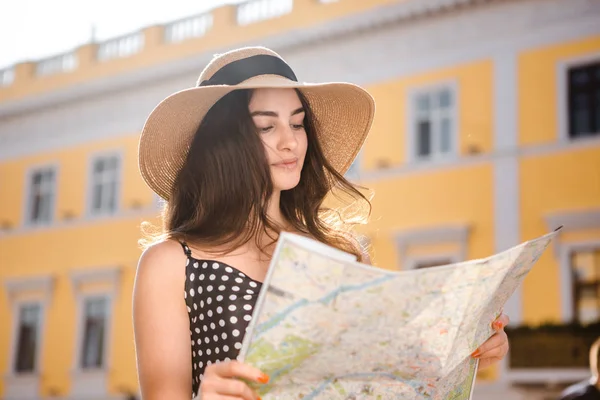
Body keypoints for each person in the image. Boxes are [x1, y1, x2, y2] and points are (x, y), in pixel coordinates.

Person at [132, 46, 510, 400]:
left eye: (298, 125)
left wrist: (465, 351)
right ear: (222, 144)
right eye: (267, 127)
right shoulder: (171, 264)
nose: (290, 143)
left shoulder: (342, 255)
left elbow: (379, 378)